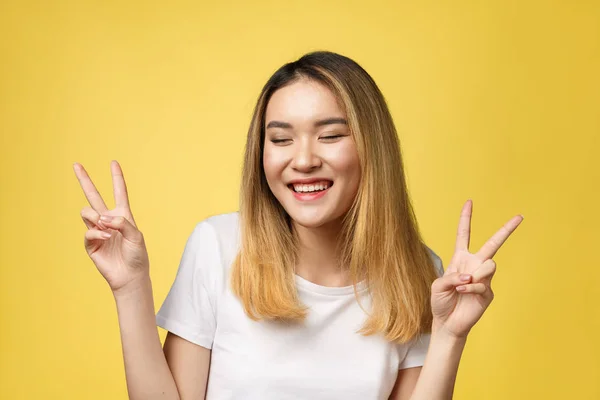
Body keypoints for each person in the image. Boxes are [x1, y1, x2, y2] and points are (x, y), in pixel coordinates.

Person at [73, 51, 523, 400]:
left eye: (330, 135)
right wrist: (130, 287)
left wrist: (449, 336)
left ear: (372, 148)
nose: (303, 160)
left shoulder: (419, 270)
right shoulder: (218, 246)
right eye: (281, 139)